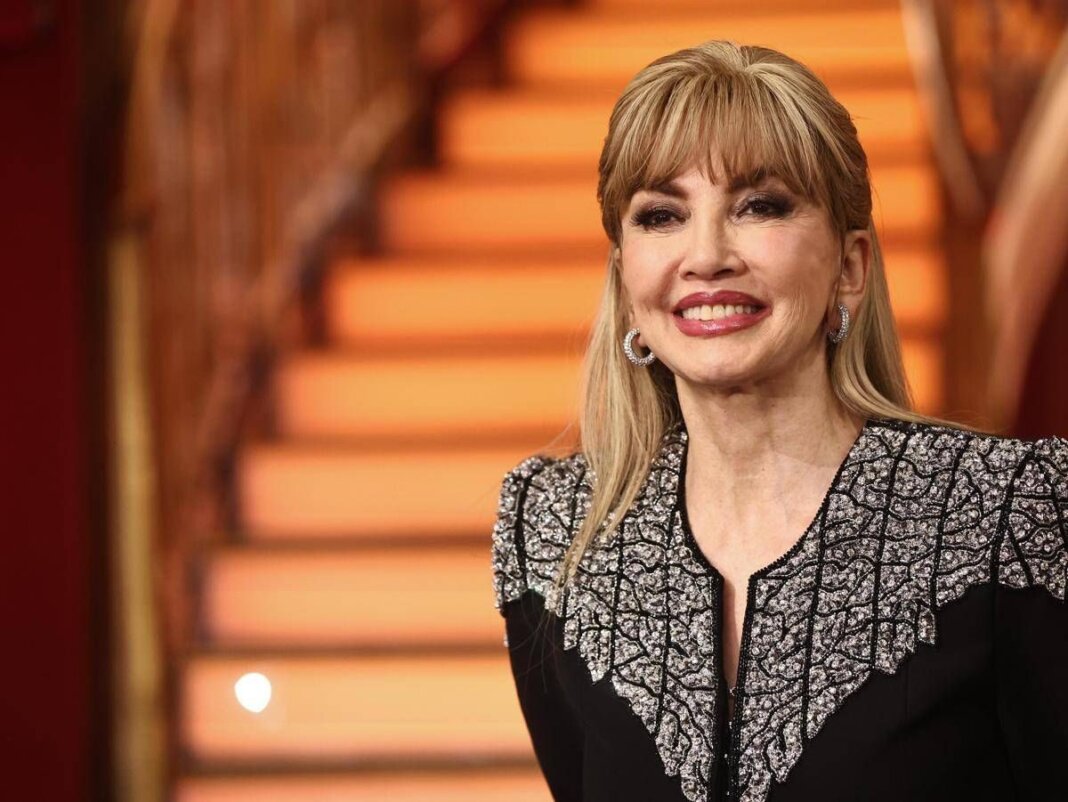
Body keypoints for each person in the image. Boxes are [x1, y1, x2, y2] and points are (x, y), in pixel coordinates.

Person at [489, 40, 1068, 802]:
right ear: (626, 282)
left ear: (850, 266)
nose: (706, 256)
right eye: (662, 216)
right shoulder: (555, 533)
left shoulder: (1003, 510)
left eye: (759, 206)